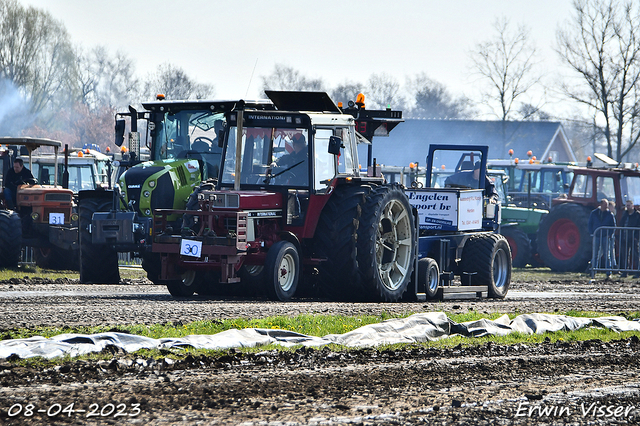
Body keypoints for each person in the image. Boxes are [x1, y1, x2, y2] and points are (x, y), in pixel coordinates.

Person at [588, 198, 616, 278]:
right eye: (605, 205)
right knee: (595, 254)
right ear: (601, 205)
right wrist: (592, 233)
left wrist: (610, 234)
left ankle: (608, 272)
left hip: (605, 236)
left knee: (607, 255)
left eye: (607, 205)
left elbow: (613, 225)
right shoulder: (594, 213)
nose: (606, 207)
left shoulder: (609, 214)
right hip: (596, 236)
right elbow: (590, 223)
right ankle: (593, 271)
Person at [619, 199, 640, 278]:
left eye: (628, 205)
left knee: (635, 255)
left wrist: (636, 237)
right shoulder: (625, 214)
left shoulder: (637, 215)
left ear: (632, 206)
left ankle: (638, 272)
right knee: (625, 255)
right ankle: (625, 272)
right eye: (626, 205)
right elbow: (621, 224)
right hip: (625, 237)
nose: (627, 207)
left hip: (634, 238)